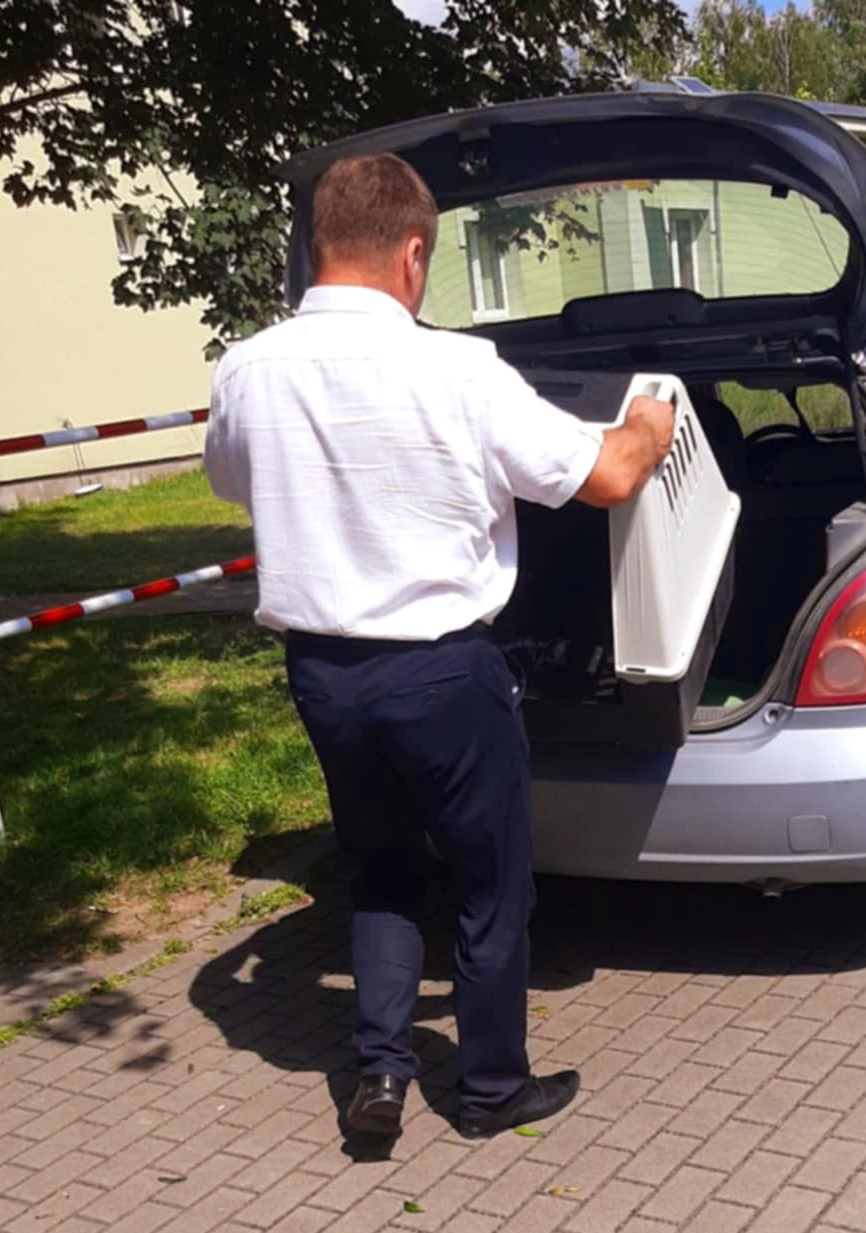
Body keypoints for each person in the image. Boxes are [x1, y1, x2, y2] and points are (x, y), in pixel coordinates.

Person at [203, 152, 674, 1140]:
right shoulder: (459, 371)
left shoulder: (246, 369)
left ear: (319, 245)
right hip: (443, 675)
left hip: (322, 675)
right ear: (413, 254)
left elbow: (234, 483)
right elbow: (604, 479)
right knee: (490, 883)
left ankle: (380, 1074)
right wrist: (646, 421)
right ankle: (491, 1090)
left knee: (380, 867)